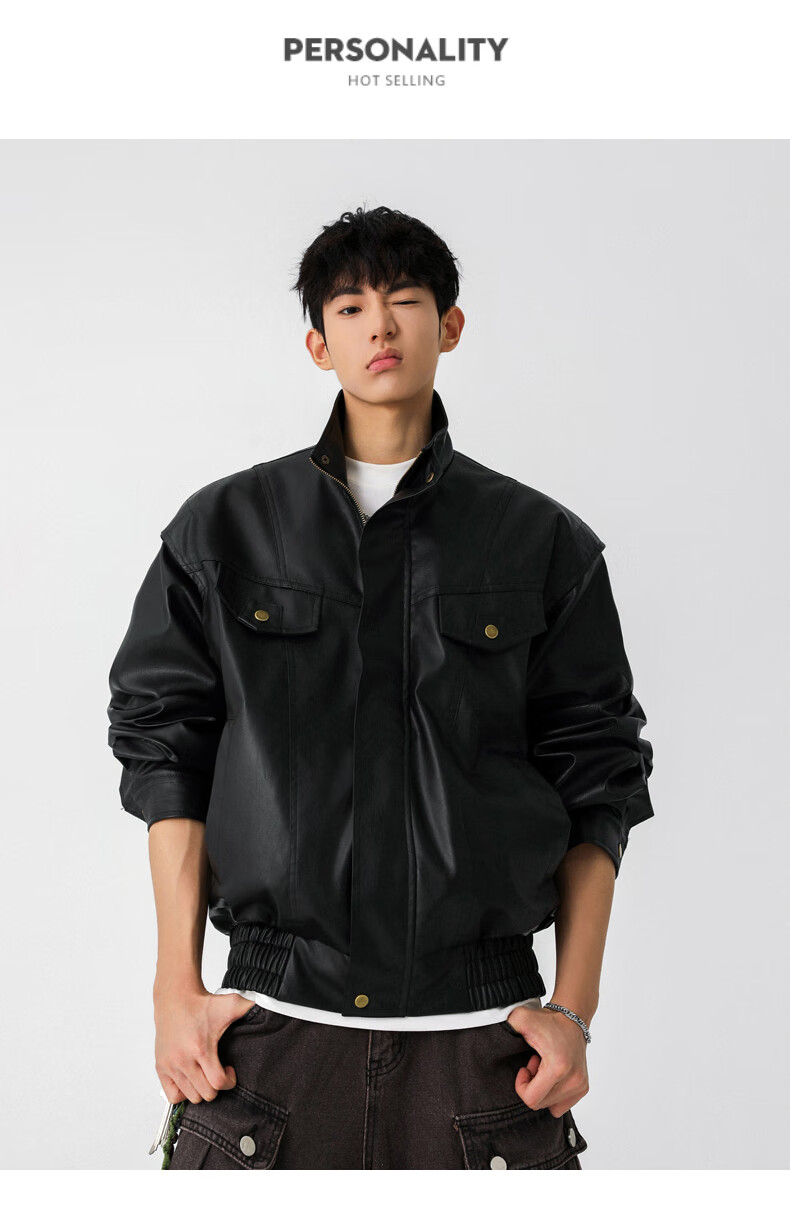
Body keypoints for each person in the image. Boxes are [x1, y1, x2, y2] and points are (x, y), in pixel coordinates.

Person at [107, 204, 655, 1170]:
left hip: (485, 1049)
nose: (381, 326)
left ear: (451, 325)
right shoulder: (224, 530)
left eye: (405, 299)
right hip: (269, 1039)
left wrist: (575, 1008)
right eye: (351, 307)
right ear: (319, 344)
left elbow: (599, 778)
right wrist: (172, 988)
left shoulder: (541, 543)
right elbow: (166, 753)